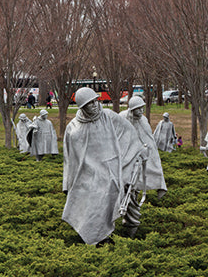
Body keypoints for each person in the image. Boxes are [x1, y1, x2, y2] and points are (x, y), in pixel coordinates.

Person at [62, 87, 146, 244]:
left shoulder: (108, 116)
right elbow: (69, 158)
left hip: (110, 170)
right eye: (89, 103)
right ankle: (97, 237)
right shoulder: (73, 129)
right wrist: (67, 183)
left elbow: (128, 133)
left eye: (95, 100)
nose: (94, 105)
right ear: (82, 107)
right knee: (91, 204)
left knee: (108, 199)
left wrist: (136, 152)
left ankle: (108, 235)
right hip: (87, 174)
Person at [118, 97, 167, 232]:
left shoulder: (143, 121)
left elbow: (148, 141)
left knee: (135, 191)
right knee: (126, 191)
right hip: (125, 162)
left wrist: (145, 153)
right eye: (137, 109)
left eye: (142, 108)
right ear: (132, 109)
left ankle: (132, 226)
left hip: (139, 163)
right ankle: (128, 224)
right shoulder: (122, 118)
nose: (141, 111)